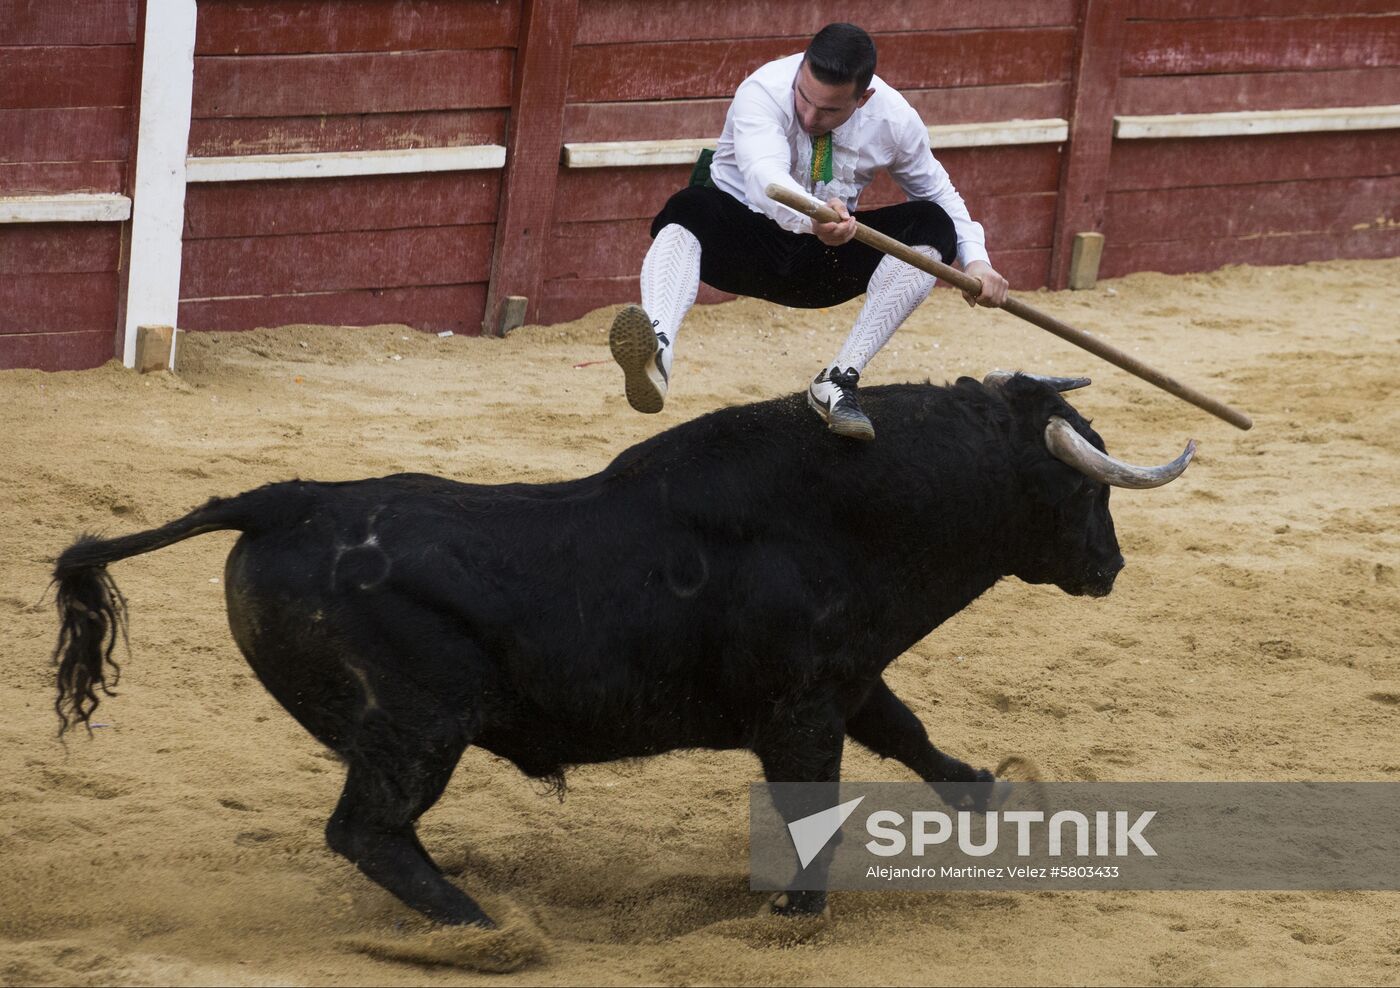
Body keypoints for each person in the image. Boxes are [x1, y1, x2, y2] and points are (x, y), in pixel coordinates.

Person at [609, 22, 1010, 441]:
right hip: (743, 245)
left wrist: (978, 261)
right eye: (804, 97)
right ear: (801, 69)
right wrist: (814, 217)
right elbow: (766, 177)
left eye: (830, 110)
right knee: (689, 206)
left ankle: (838, 380)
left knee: (933, 223)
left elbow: (940, 191)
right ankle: (658, 348)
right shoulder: (763, 90)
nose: (809, 116)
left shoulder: (894, 117)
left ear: (864, 97)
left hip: (825, 264)